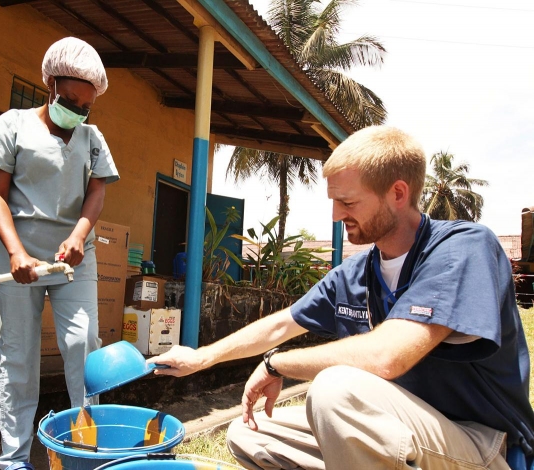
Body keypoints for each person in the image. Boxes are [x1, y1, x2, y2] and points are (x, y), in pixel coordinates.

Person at [149, 126, 534, 470]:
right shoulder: (358, 272)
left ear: (397, 193)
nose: (336, 215)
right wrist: (201, 358)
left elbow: (386, 356)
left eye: (348, 203)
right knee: (249, 434)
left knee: (335, 391)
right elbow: (282, 323)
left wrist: (276, 365)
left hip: (479, 444)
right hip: (400, 431)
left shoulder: (462, 249)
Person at [0, 37, 118, 470]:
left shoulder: (92, 139)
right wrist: (17, 253)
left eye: (85, 106)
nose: (75, 112)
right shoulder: (12, 125)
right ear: (49, 83)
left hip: (74, 256)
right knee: (19, 352)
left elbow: (96, 192)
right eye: (68, 100)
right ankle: (15, 458)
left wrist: (80, 234)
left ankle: (85, 449)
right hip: (17, 254)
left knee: (83, 344)